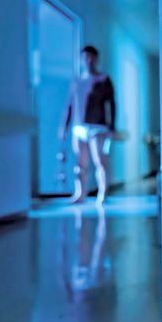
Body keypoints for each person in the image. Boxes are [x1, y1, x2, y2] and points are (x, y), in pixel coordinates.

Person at [59, 45, 116, 205]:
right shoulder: (77, 81)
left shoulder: (104, 80)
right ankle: (80, 193)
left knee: (100, 161)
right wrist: (64, 127)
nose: (88, 60)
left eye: (91, 57)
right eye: (85, 57)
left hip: (98, 127)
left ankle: (102, 192)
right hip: (79, 127)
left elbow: (112, 104)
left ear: (96, 59)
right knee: (80, 163)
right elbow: (70, 105)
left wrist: (112, 126)